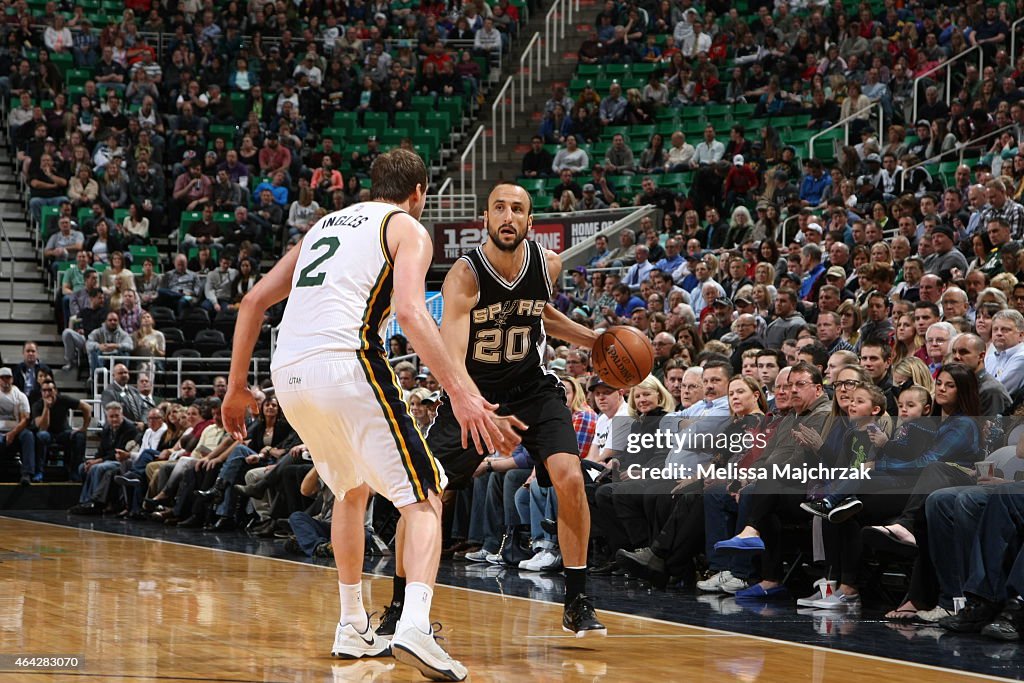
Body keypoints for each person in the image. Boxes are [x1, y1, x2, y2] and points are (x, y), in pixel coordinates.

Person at [221, 150, 520, 681]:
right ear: (419, 193)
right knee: (427, 495)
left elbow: (252, 303)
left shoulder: (322, 226)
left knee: (351, 490)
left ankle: (352, 623)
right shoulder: (406, 227)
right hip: (347, 361)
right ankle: (415, 626)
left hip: (289, 373)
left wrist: (237, 388)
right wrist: (460, 391)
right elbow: (408, 312)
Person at [382, 180, 607, 639]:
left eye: (517, 209)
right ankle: (399, 605)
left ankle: (577, 598)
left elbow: (537, 311)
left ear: (530, 220)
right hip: (471, 393)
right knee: (426, 495)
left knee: (569, 475)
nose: (508, 216)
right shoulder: (465, 275)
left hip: (533, 390)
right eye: (499, 208)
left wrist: (595, 340)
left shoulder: (549, 264)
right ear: (485, 217)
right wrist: (475, 408)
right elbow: (450, 353)